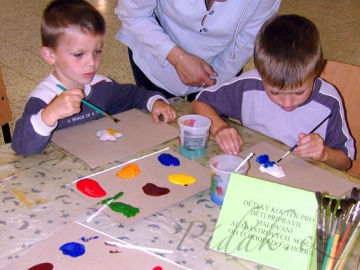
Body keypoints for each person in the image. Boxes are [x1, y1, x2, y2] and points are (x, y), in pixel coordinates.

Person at [12, 0, 176, 156]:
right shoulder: (43, 98)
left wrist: (155, 102)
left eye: (97, 51)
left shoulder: (101, 86)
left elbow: (133, 95)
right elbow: (21, 146)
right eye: (79, 54)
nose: (91, 62)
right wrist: (48, 115)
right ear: (50, 55)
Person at [192, 14, 355, 171]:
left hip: (303, 180)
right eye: (275, 93)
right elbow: (200, 103)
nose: (287, 103)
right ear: (261, 74)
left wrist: (324, 153)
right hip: (254, 173)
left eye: (299, 93)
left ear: (316, 72)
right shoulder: (250, 85)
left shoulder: (329, 102)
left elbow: (345, 162)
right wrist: (219, 127)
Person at [115, 0, 281, 100]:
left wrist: (214, 82)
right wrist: (176, 57)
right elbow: (134, 15)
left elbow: (247, 40)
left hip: (221, 64)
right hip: (155, 52)